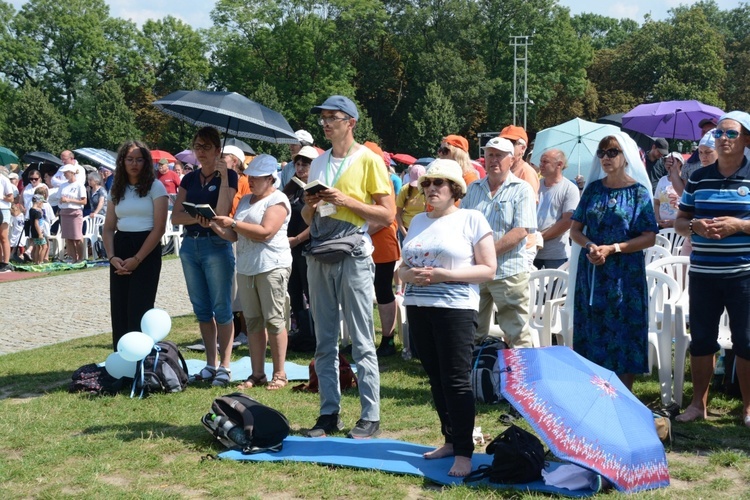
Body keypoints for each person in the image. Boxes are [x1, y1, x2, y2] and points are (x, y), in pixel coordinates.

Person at [302, 95, 394, 439]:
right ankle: (329, 414)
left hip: (353, 252)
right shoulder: (318, 162)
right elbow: (305, 217)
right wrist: (310, 206)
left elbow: (387, 214)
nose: (325, 123)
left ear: (350, 122)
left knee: (361, 338)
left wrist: (346, 201)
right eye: (322, 118)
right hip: (320, 249)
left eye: (332, 117)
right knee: (324, 339)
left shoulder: (369, 160)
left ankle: (370, 415)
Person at [398, 159, 496, 476]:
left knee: (455, 381)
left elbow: (488, 269)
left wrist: (445, 275)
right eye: (427, 183)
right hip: (418, 306)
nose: (430, 189)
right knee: (436, 377)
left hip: (456, 309)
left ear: (454, 189)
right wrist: (408, 273)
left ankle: (465, 452)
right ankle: (451, 440)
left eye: (438, 183)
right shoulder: (417, 222)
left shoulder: (472, 219)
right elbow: (400, 268)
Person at [673, 111, 750, 427]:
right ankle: (697, 405)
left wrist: (739, 225)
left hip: (743, 274)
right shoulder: (699, 177)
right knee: (702, 339)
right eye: (719, 133)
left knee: (746, 341)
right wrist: (695, 226)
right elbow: (679, 222)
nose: (723, 139)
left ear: (746, 139)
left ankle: (747, 409)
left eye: (731, 134)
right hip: (703, 274)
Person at [568, 133, 658, 391]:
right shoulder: (593, 189)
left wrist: (615, 248)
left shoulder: (639, 193)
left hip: (625, 275)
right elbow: (575, 230)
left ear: (626, 157)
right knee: (593, 327)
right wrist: (590, 246)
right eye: (602, 153)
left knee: (624, 332)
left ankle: (622, 396)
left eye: (612, 152)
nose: (606, 158)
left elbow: (649, 237)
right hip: (594, 271)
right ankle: (593, 391)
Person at [210, 155, 292, 391]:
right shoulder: (246, 200)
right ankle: (258, 374)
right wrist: (215, 225)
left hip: (271, 265)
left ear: (270, 178)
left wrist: (233, 224)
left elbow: (266, 231)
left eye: (256, 178)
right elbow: (235, 236)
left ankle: (280, 373)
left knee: (275, 320)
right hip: (246, 267)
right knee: (254, 322)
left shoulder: (279, 199)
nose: (251, 181)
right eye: (249, 177)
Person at [172, 127, 238, 387]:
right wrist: (198, 218)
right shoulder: (189, 179)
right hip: (191, 245)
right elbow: (176, 216)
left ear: (217, 150)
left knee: (222, 307)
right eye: (197, 146)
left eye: (206, 147)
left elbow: (222, 212)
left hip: (216, 244)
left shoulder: (229, 176)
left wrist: (222, 178)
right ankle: (210, 363)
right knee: (201, 308)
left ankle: (225, 365)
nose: (200, 152)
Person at [462, 137, 537, 347]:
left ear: (511, 160)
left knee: (517, 333)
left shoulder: (522, 189)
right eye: (490, 155)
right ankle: (472, 375)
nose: (493, 160)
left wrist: (485, 254)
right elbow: (462, 225)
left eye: (499, 156)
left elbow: (521, 231)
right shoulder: (473, 188)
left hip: (508, 271)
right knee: (471, 330)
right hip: (477, 273)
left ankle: (523, 378)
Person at [102, 141, 168, 350]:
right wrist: (112, 257)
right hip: (120, 250)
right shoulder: (116, 188)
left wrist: (137, 259)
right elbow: (108, 227)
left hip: (145, 249)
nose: (134, 164)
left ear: (146, 162)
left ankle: (141, 363)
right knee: (120, 308)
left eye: (139, 159)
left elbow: (159, 228)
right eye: (130, 159)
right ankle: (121, 359)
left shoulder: (155, 187)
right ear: (122, 161)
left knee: (139, 308)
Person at [282, 145, 319, 351]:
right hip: (291, 248)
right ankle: (303, 332)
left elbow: (318, 222)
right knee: (294, 290)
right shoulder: (292, 187)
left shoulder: (316, 189)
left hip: (308, 246)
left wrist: (296, 239)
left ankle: (315, 333)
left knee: (310, 290)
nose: (300, 166)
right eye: (297, 162)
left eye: (305, 162)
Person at [534, 149, 580, 269]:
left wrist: (540, 237)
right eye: (541, 161)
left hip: (555, 255)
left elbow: (568, 221)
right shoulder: (535, 185)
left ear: (559, 165)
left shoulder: (569, 189)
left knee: (554, 288)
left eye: (545, 162)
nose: (541, 165)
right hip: (531, 252)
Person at [58, 164, 87, 262]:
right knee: (68, 237)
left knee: (77, 237)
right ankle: (74, 258)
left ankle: (81, 258)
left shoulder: (79, 185)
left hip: (75, 212)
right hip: (64, 212)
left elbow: (84, 201)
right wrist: (62, 200)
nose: (65, 174)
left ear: (72, 172)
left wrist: (70, 200)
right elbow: (59, 199)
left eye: (66, 172)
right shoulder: (63, 185)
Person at [395, 164, 427, 241]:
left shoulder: (428, 190)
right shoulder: (404, 190)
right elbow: (397, 214)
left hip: (422, 229)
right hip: (406, 228)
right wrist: (405, 233)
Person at [654, 152, 684, 230]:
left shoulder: (684, 181)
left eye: (673, 160)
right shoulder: (662, 180)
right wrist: (658, 219)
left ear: (680, 163)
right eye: (667, 160)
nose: (669, 162)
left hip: (678, 226)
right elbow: (657, 202)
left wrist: (673, 222)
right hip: (662, 226)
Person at [28, 194, 48, 264]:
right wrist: (40, 234)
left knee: (37, 247)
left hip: (34, 232)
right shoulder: (37, 212)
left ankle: (36, 262)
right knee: (44, 247)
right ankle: (41, 261)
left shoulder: (31, 210)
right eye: (42, 203)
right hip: (38, 232)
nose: (42, 205)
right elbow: (36, 223)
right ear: (38, 202)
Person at [0, 172, 14, 272]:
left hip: (3, 209)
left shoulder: (4, 179)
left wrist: (2, 197)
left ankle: (6, 262)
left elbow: (11, 198)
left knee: (3, 236)